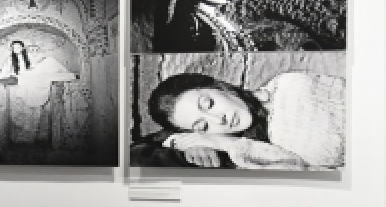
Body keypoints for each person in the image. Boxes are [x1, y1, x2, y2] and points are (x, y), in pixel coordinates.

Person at [142, 70, 345, 169]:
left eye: (209, 104)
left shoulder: (289, 84)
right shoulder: (251, 154)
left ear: (219, 87)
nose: (218, 119)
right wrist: (227, 144)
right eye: (203, 125)